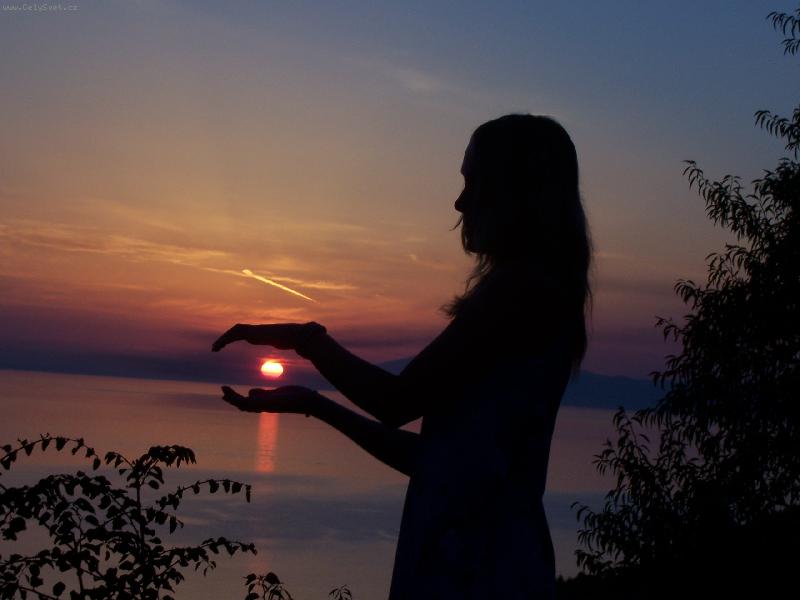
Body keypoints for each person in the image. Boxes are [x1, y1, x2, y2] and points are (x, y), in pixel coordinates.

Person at [212, 114, 592, 599]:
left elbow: (396, 401)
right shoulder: (541, 293)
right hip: (492, 557)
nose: (460, 202)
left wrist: (306, 339)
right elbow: (440, 462)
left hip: (475, 567)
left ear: (516, 192)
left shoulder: (517, 294)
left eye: (474, 182)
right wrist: (314, 404)